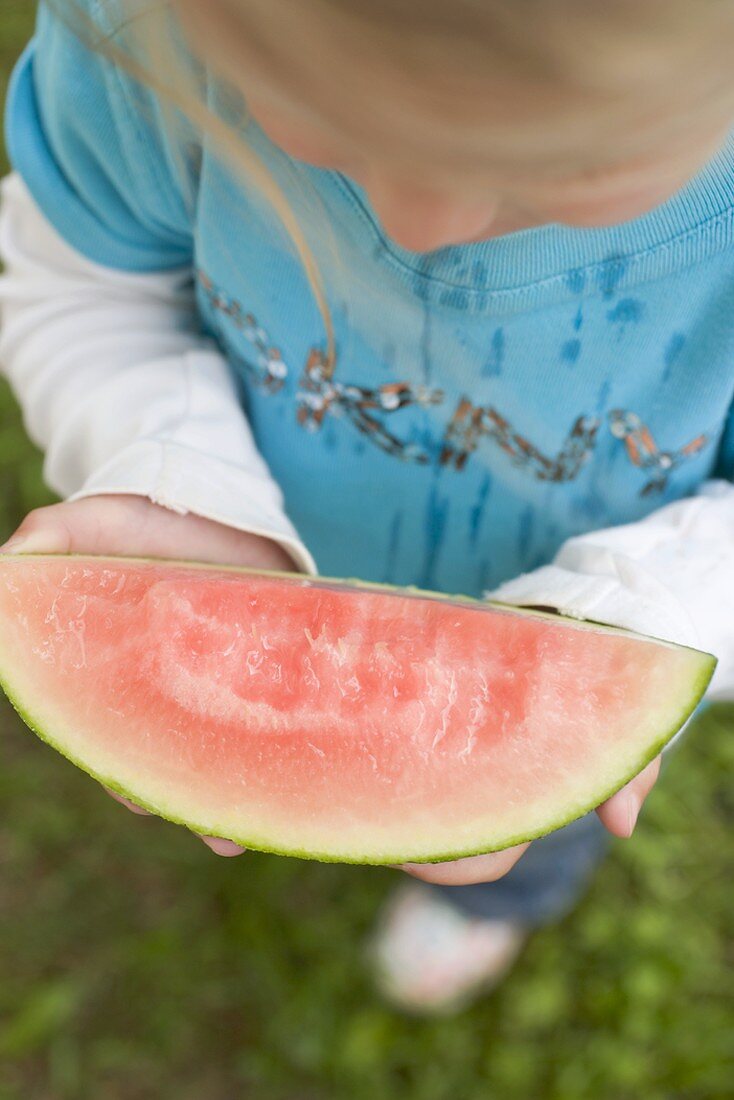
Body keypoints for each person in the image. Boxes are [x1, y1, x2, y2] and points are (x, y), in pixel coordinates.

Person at [0, 0, 733, 1014]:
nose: (416, 222)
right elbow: (86, 288)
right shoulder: (143, 40)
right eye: (318, 120)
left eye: (558, 165)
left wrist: (650, 604)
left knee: (540, 825)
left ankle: (498, 899)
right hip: (278, 534)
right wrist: (172, 472)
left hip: (591, 618)